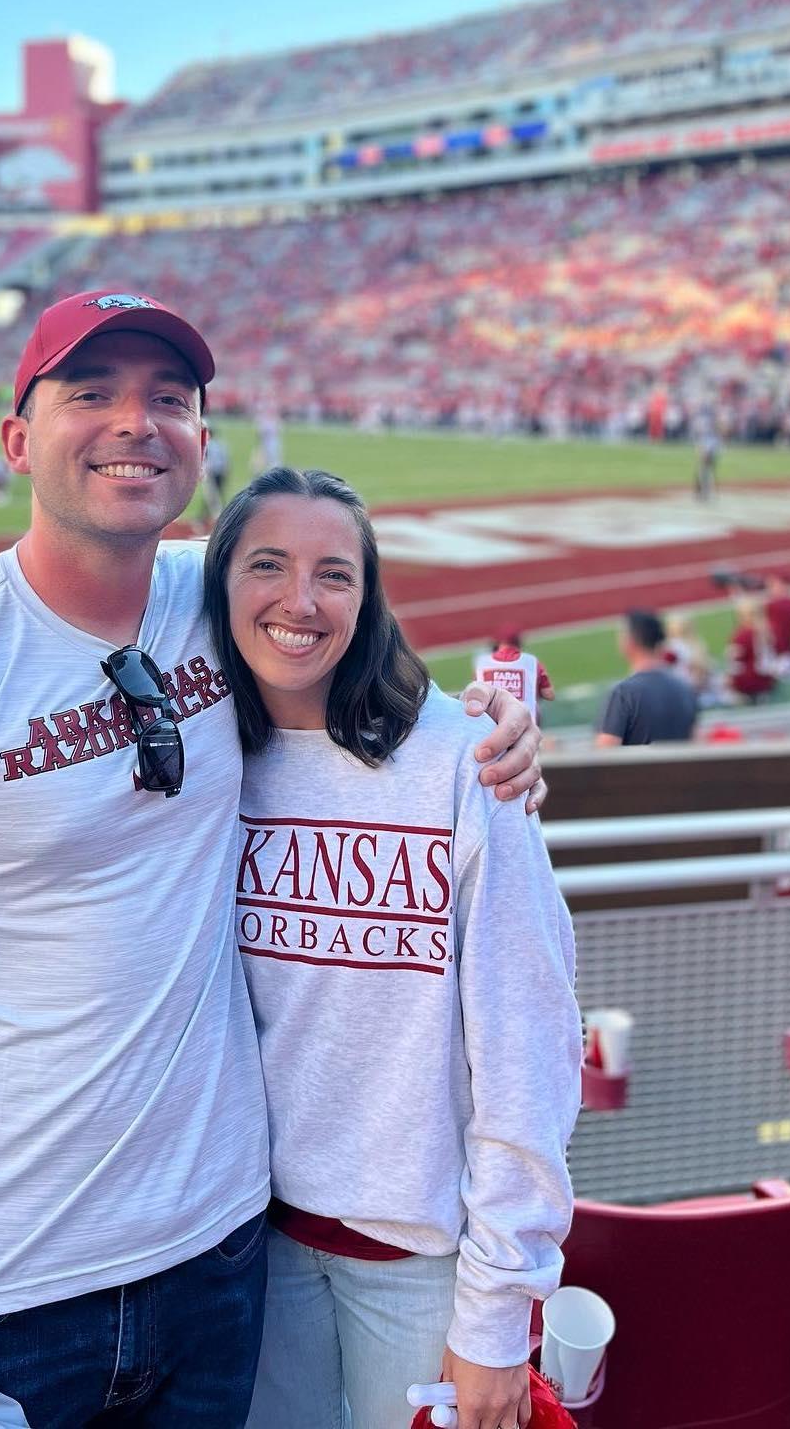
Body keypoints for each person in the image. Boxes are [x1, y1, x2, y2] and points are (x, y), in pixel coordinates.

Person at [0, 289, 543, 1429]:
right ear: (18, 440)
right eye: (92, 393)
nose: (136, 422)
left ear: (199, 441)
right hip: (0, 1291)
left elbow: (339, 629)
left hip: (221, 1258)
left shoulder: (219, 597)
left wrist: (496, 731)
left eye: (168, 399)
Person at [206, 468, 580, 1429]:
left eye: (335, 573)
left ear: (368, 601)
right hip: (248, 1250)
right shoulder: (199, 762)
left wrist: (499, 1311)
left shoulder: (465, 762)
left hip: (424, 1266)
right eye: (268, 566)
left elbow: (528, 1048)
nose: (300, 601)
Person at [595, 610, 699, 747]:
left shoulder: (623, 693)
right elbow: (693, 741)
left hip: (640, 768)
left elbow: (603, 756)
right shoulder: (684, 688)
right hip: (679, 767)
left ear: (630, 642)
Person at [474, 625, 556, 719]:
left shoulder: (482, 663)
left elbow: (476, 693)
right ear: (519, 642)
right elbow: (549, 695)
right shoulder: (531, 662)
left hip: (492, 725)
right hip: (525, 725)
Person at [722, 592, 778, 705]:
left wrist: (729, 681)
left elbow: (735, 664)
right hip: (768, 679)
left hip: (750, 681)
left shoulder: (742, 634)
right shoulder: (766, 630)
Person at [764, 573, 790, 675]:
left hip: (780, 653)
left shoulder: (776, 605)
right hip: (786, 651)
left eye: (773, 586)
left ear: (783, 586)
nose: (770, 589)